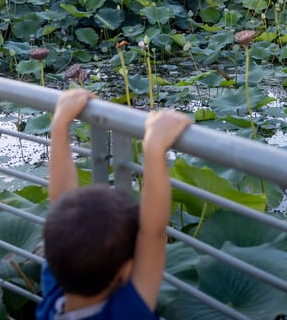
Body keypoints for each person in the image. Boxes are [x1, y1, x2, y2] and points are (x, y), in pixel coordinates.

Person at [36, 89, 192, 320]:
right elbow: (152, 233)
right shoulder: (125, 313)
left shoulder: (55, 297)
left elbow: (61, 201)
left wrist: (59, 124)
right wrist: (153, 146)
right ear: (125, 269)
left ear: (51, 254)